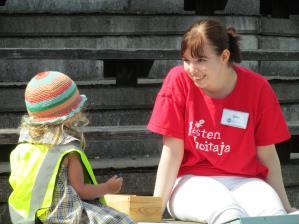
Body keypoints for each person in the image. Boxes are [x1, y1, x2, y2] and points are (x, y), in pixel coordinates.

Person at [147, 19, 298, 224]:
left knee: (274, 216)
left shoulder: (258, 88)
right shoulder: (178, 80)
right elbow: (172, 152)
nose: (192, 69)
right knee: (229, 214)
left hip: (247, 181)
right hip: (191, 181)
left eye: (200, 60)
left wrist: (285, 206)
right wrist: (154, 209)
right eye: (186, 60)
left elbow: (267, 154)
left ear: (224, 56)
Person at [8, 71, 134, 224]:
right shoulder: (67, 150)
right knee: (121, 221)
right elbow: (81, 190)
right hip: (64, 217)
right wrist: (108, 187)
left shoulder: (22, 148)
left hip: (28, 218)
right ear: (71, 113)